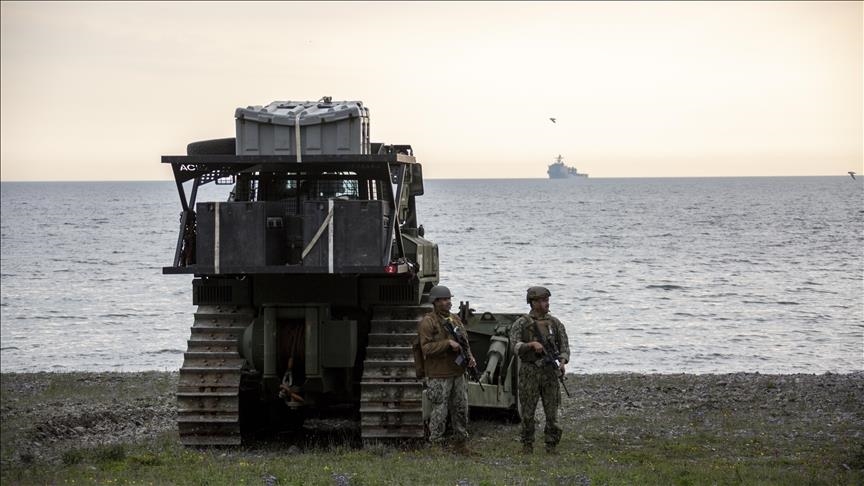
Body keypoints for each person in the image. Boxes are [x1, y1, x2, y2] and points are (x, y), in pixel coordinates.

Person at [508, 286, 571, 454]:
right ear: (533, 302)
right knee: (528, 412)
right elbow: (514, 345)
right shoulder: (521, 323)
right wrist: (530, 345)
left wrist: (562, 362)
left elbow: (564, 346)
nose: (546, 304)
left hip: (550, 371)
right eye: (542, 301)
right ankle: (527, 445)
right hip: (530, 371)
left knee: (552, 413)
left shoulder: (555, 323)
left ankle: (551, 444)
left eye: (547, 300)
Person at [417, 285, 478, 453]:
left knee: (461, 408)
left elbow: (464, 342)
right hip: (439, 374)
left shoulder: (455, 319)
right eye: (443, 300)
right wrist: (446, 344)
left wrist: (470, 357)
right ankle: (436, 444)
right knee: (439, 410)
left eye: (449, 299)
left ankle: (461, 443)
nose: (447, 302)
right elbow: (426, 348)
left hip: (457, 372)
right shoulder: (428, 322)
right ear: (435, 302)